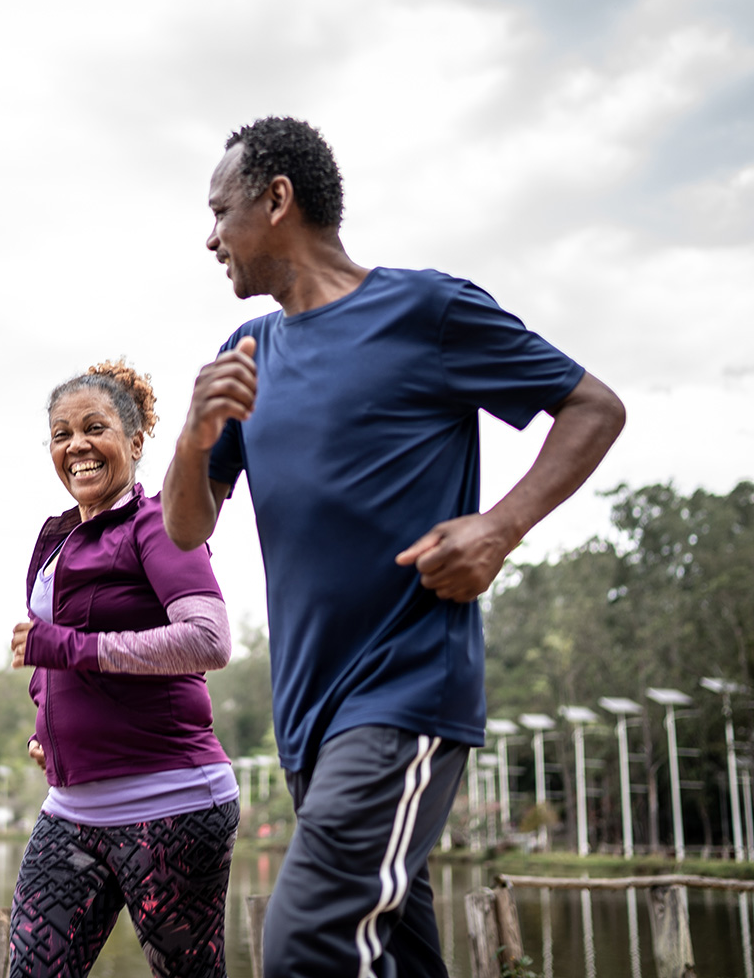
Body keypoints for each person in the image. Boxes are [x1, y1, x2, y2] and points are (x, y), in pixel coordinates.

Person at [162, 116, 626, 977]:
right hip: (307, 716)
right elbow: (187, 528)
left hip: (405, 691)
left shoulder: (425, 309)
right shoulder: (248, 353)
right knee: (397, 957)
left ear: (276, 200)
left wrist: (500, 525)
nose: (210, 236)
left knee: (305, 944)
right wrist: (193, 437)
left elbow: (593, 406)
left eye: (220, 211)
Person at [8, 359, 240, 978]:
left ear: (135, 442)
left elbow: (208, 640)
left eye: (95, 428)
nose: (77, 445)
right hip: (72, 809)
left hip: (172, 803)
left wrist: (69, 648)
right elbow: (44, 658)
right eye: (61, 434)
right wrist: (45, 728)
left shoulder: (159, 525)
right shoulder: (57, 539)